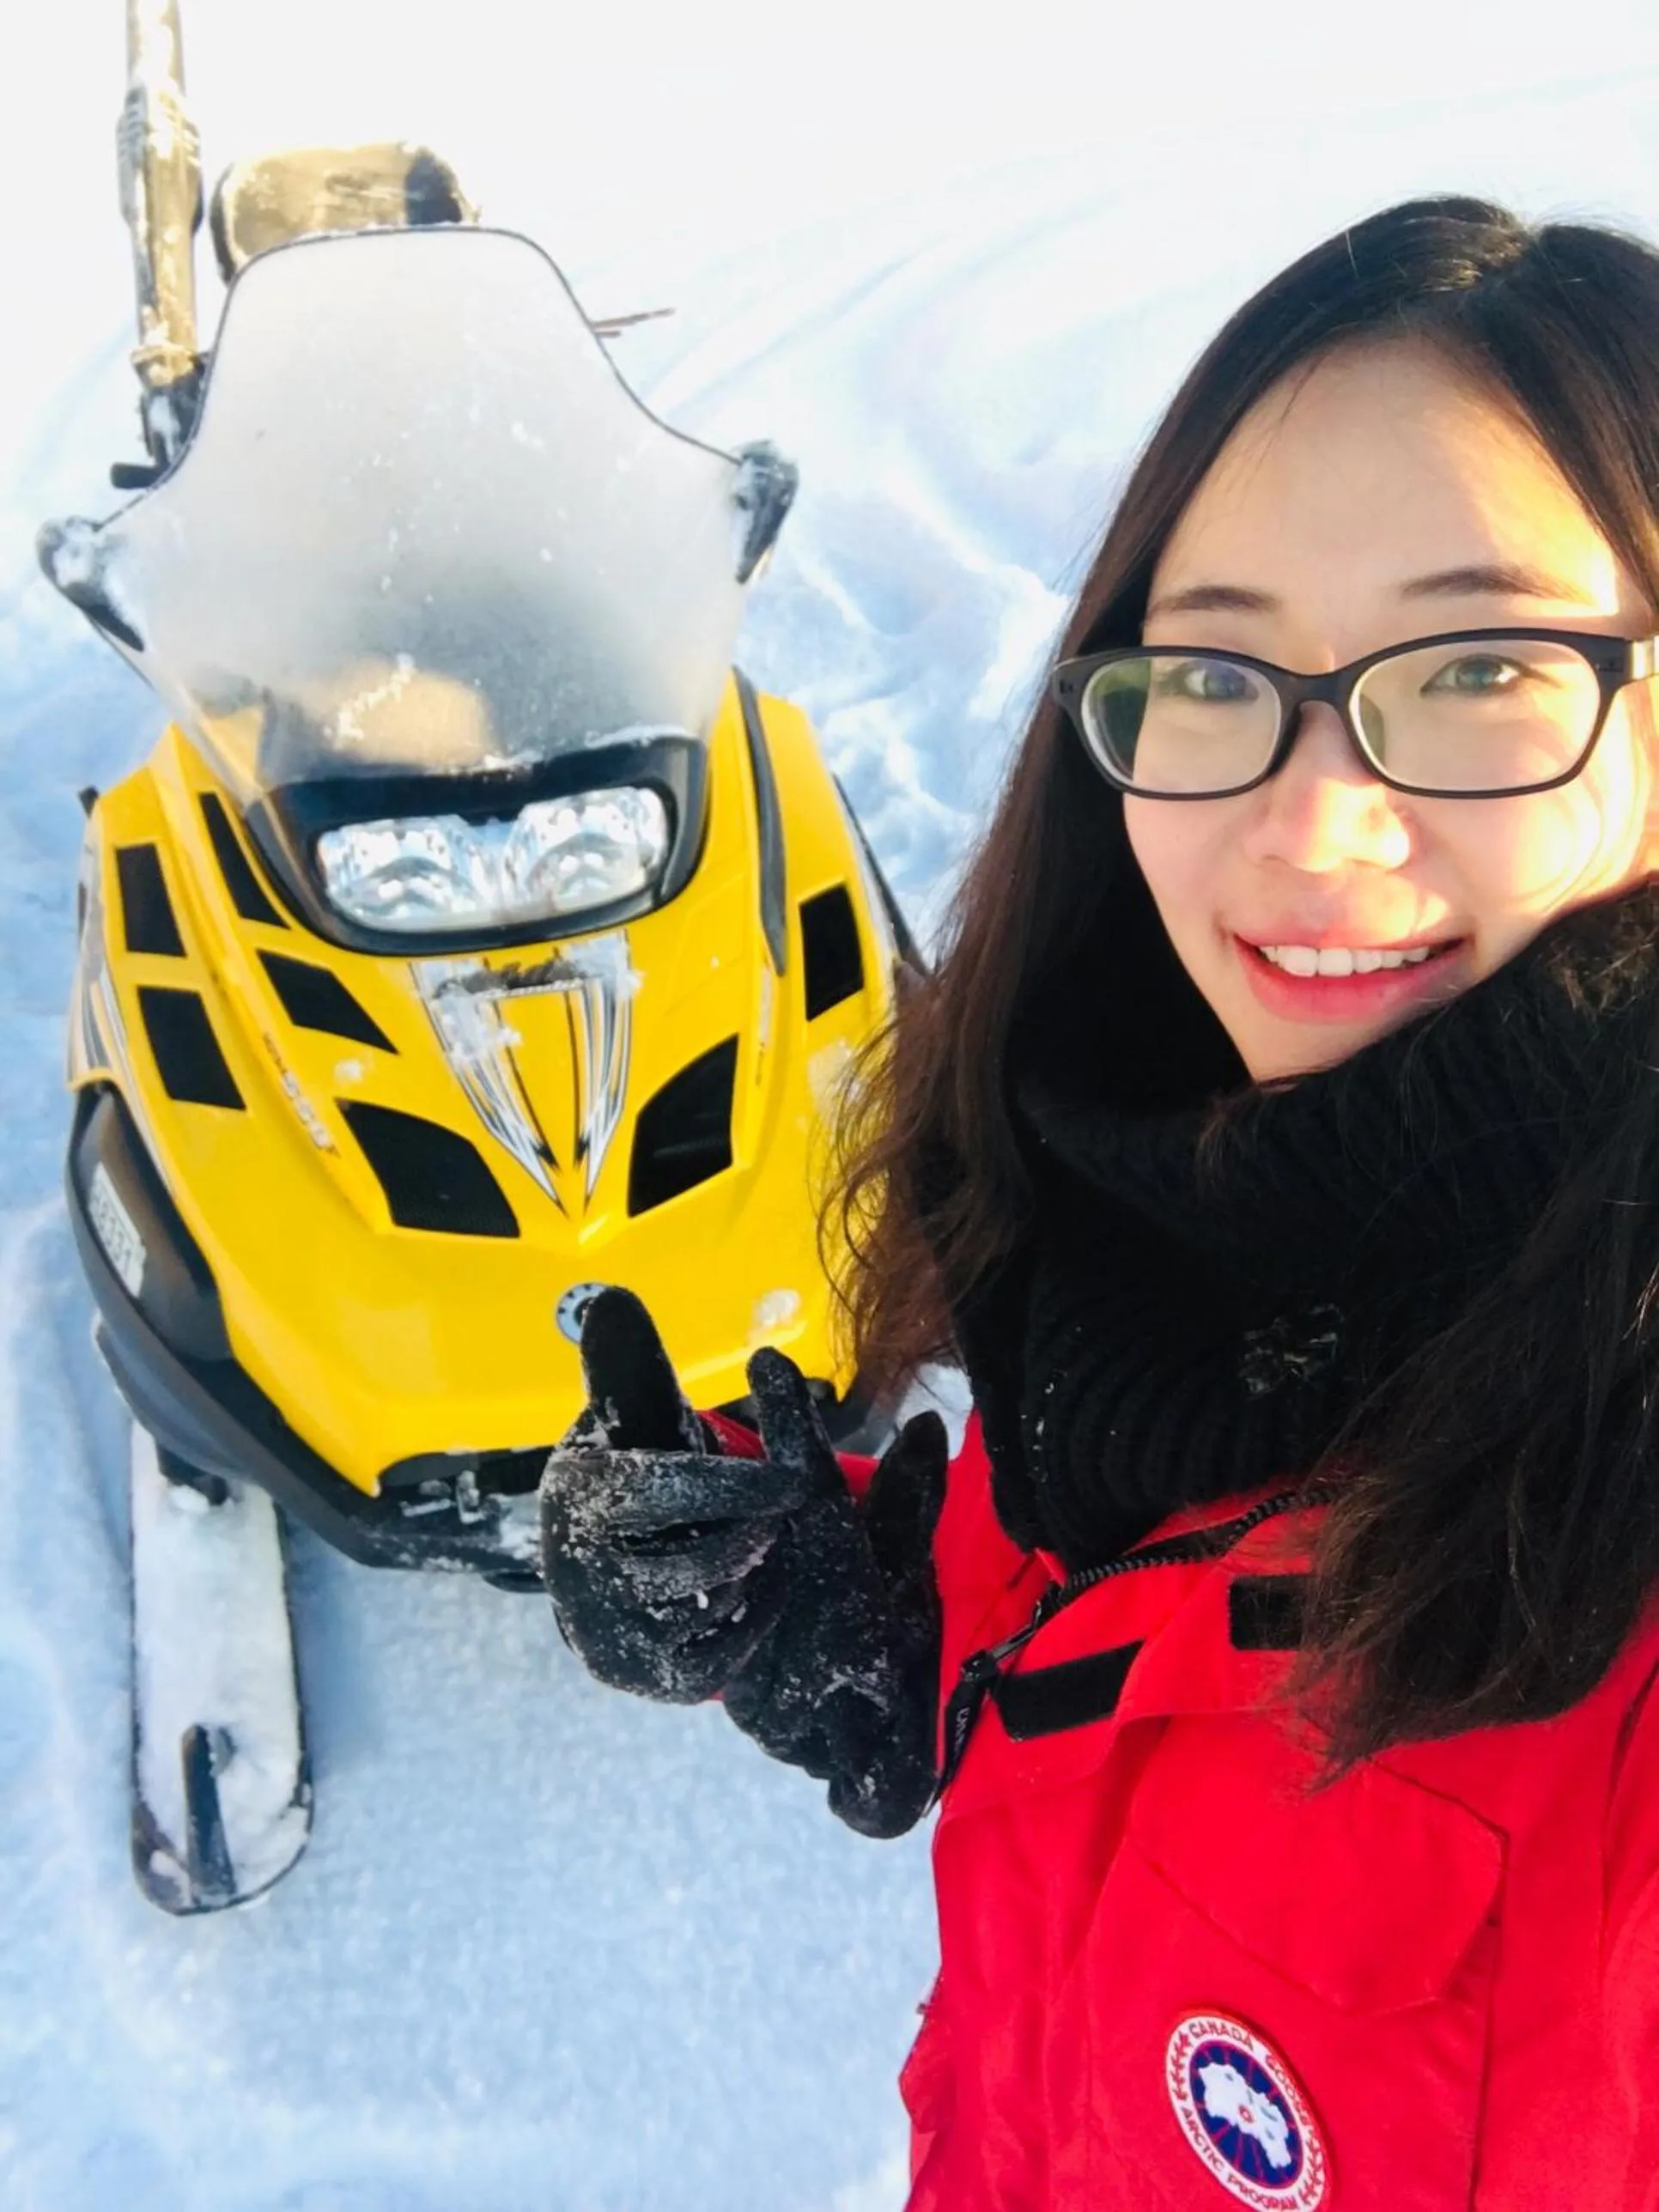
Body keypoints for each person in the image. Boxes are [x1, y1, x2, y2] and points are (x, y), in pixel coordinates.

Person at [538, 196, 1659, 2209]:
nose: (1312, 821)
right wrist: (890, 1622)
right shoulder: (1160, 1205)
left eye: (1482, 664)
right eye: (1217, 668)